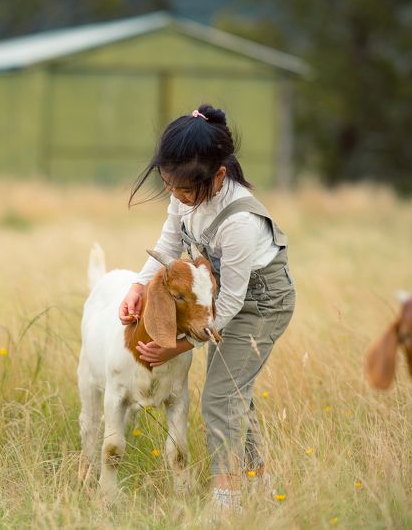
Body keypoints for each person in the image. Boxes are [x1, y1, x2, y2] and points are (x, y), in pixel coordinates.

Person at [119, 104, 295, 512]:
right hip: (218, 304)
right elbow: (168, 244)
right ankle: (260, 483)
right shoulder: (184, 193)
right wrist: (138, 285)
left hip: (260, 304)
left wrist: (179, 346)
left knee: (219, 397)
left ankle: (226, 502)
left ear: (218, 175)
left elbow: (233, 300)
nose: (176, 196)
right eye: (168, 184)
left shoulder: (239, 222)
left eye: (185, 190)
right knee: (233, 392)